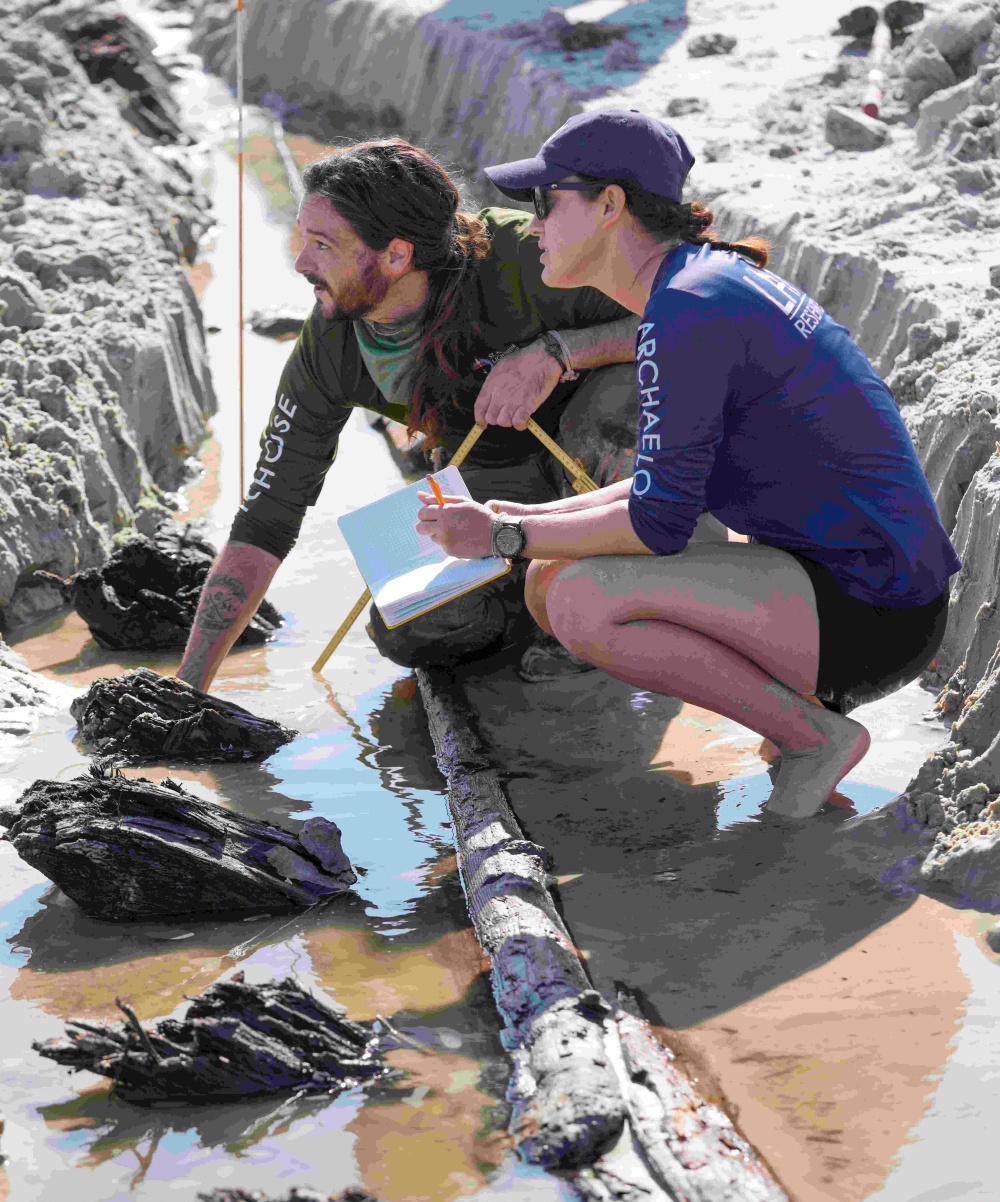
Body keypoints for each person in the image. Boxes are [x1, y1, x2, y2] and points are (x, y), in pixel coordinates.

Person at [417, 107, 961, 818]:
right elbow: (663, 494)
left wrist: (502, 539)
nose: (535, 225)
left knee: (581, 597)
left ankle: (815, 735)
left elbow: (659, 524)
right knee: (550, 581)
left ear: (610, 206)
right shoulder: (699, 286)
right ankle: (800, 718)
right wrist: (511, 518)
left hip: (876, 610)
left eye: (547, 203)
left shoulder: (689, 313)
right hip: (854, 584)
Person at [175, 138, 639, 691]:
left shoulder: (524, 260)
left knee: (619, 406)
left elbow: (688, 312)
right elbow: (268, 516)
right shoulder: (333, 344)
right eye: (303, 238)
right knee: (409, 629)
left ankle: (624, 589)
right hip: (494, 483)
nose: (300, 263)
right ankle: (537, 604)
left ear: (396, 256)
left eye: (321, 245)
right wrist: (187, 685)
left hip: (595, 464)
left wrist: (557, 352)